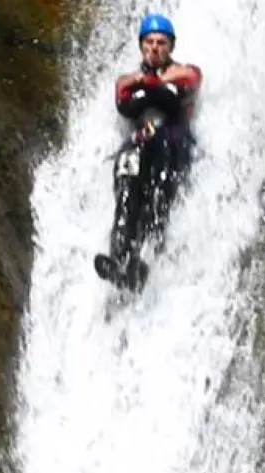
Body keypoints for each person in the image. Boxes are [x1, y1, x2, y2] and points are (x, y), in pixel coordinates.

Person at [96, 13, 203, 290]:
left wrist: (149, 85)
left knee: (159, 195)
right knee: (126, 194)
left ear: (171, 47)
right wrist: (149, 84)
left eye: (161, 43)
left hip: (171, 144)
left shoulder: (184, 72)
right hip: (140, 144)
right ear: (141, 45)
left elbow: (190, 79)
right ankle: (118, 257)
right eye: (149, 42)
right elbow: (123, 97)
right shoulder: (127, 80)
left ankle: (143, 259)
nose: (154, 48)